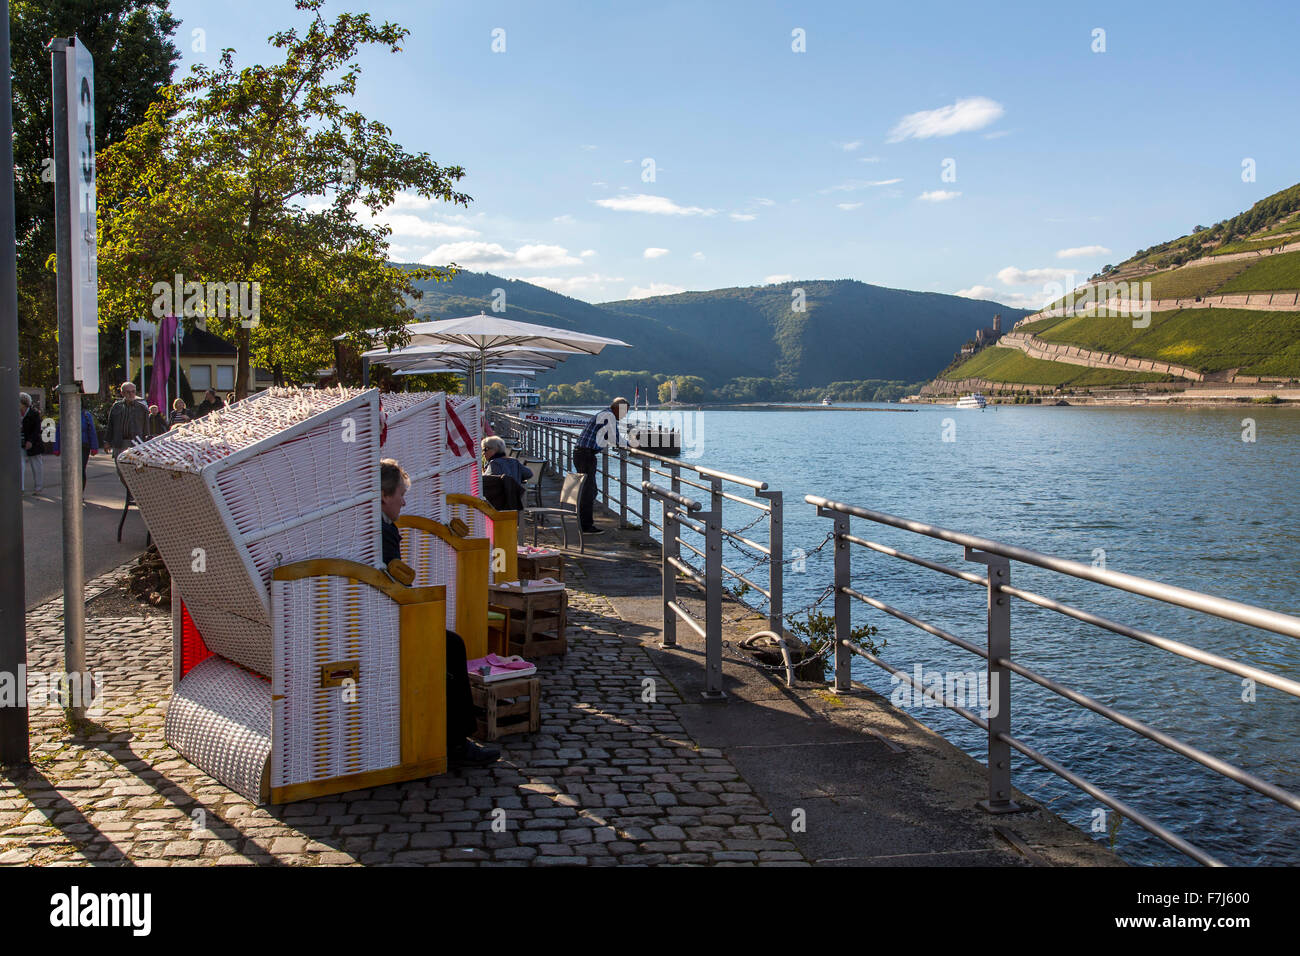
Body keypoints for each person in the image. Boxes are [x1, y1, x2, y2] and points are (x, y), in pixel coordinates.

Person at [381, 458, 499, 768]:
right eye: (400, 494)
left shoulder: (377, 527)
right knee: (452, 646)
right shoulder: (384, 532)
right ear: (384, 495)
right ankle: (457, 741)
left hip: (377, 617)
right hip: (384, 624)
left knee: (449, 644)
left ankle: (457, 735)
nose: (404, 501)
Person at [571, 396, 628, 535]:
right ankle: (586, 526)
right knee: (588, 492)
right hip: (586, 455)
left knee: (591, 491)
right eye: (623, 411)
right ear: (616, 408)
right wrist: (633, 445)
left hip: (582, 454)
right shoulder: (609, 416)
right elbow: (615, 439)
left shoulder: (605, 414)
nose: (625, 414)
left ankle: (583, 522)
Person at [53, 405, 100, 489]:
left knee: (81, 470)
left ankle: (79, 492)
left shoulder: (86, 415)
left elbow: (92, 431)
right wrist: (57, 448)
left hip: (83, 446)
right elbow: (59, 431)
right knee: (70, 469)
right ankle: (71, 491)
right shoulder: (65, 415)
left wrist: (94, 447)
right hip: (68, 446)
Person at [107, 382, 149, 459]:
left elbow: (146, 428)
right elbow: (110, 425)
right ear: (122, 393)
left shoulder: (142, 408)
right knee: (120, 468)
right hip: (119, 443)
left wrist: (146, 444)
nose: (131, 394)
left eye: (133, 391)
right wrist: (107, 442)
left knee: (135, 468)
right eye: (128, 392)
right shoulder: (116, 407)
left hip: (136, 443)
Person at [18, 392, 44, 494]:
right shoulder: (15, 413)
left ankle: (38, 487)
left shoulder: (34, 413)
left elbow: (37, 429)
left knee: (36, 464)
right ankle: (21, 488)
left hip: (33, 443)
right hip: (20, 442)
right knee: (20, 464)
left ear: (24, 403)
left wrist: (30, 441)